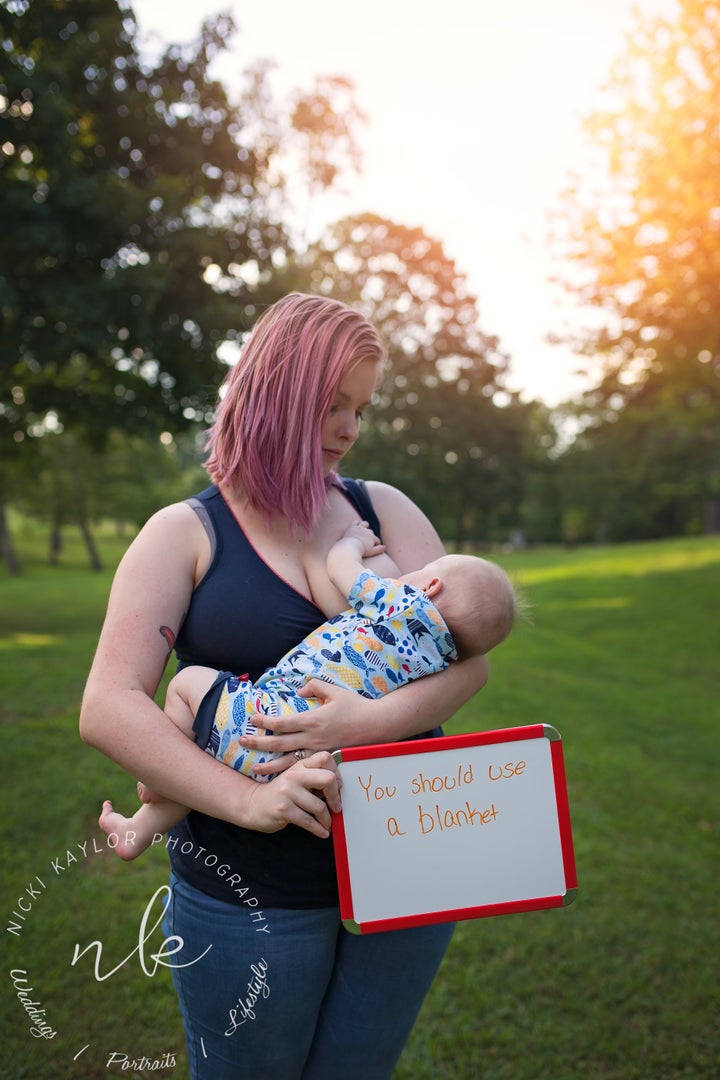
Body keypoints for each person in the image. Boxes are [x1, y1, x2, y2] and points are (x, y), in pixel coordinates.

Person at [80, 292, 489, 1080]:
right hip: (250, 890)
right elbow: (108, 703)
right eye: (332, 405)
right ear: (273, 396)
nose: (349, 430)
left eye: (361, 410)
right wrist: (249, 802)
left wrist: (369, 723)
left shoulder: (385, 511)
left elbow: (471, 661)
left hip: (408, 860)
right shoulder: (184, 534)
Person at [98, 520, 517, 859]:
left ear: (430, 587)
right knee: (217, 750)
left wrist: (352, 540)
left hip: (272, 716)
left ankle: (167, 775)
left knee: (188, 684)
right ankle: (138, 828)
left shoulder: (402, 603)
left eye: (425, 570)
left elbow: (341, 568)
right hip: (301, 763)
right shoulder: (441, 660)